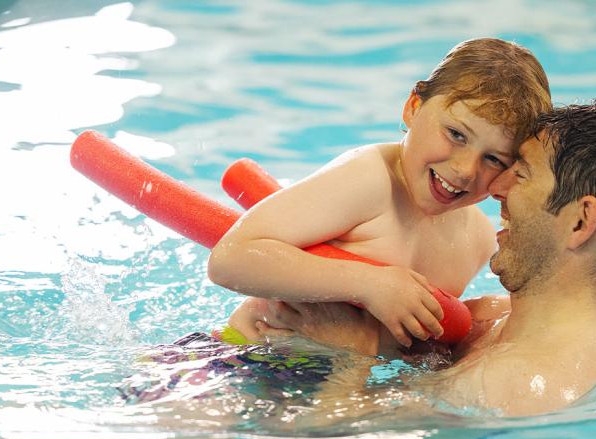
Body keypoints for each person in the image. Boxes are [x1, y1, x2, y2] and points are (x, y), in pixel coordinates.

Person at [253, 100, 596, 417]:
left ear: (581, 222)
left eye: (520, 174)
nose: (495, 188)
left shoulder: (516, 388)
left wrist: (352, 356)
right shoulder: (490, 319)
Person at [208, 38, 551, 347]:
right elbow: (230, 258)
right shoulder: (368, 180)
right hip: (246, 357)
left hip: (343, 381)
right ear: (414, 107)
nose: (464, 169)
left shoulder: (476, 239)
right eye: (456, 134)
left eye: (493, 158)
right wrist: (370, 284)